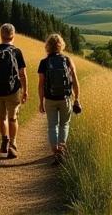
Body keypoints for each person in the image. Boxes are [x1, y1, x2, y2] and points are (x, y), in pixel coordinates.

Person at [0, 23, 28, 158]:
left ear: (1, 35)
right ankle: (12, 145)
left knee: (1, 118)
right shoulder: (16, 51)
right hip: (12, 91)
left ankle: (4, 140)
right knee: (12, 118)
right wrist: (25, 91)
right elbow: (22, 74)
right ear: (13, 35)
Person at [38, 33, 80, 165]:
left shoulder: (44, 62)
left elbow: (41, 84)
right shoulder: (67, 60)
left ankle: (55, 152)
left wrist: (41, 101)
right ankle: (61, 150)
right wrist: (77, 98)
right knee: (64, 125)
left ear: (48, 46)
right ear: (61, 45)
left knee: (52, 125)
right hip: (65, 98)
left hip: (50, 99)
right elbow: (75, 81)